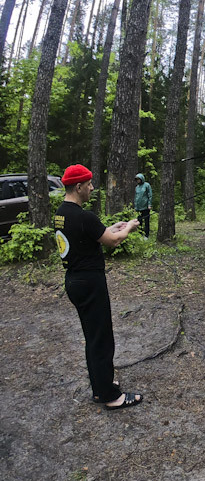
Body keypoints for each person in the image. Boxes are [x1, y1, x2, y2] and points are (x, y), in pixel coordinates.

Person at [54, 164, 143, 410]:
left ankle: (99, 386)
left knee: (93, 337)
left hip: (74, 280)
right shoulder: (84, 216)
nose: (92, 188)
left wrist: (114, 226)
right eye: (89, 184)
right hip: (90, 283)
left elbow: (97, 234)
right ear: (79, 186)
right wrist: (128, 228)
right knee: (101, 339)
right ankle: (110, 396)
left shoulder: (62, 213)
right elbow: (112, 241)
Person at [134, 173, 152, 238]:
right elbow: (136, 197)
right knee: (139, 222)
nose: (138, 180)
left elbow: (150, 195)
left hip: (145, 207)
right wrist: (135, 207)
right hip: (138, 208)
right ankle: (140, 234)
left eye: (139, 179)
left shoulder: (147, 185)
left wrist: (149, 204)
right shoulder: (137, 187)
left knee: (146, 221)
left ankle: (146, 235)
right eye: (137, 179)